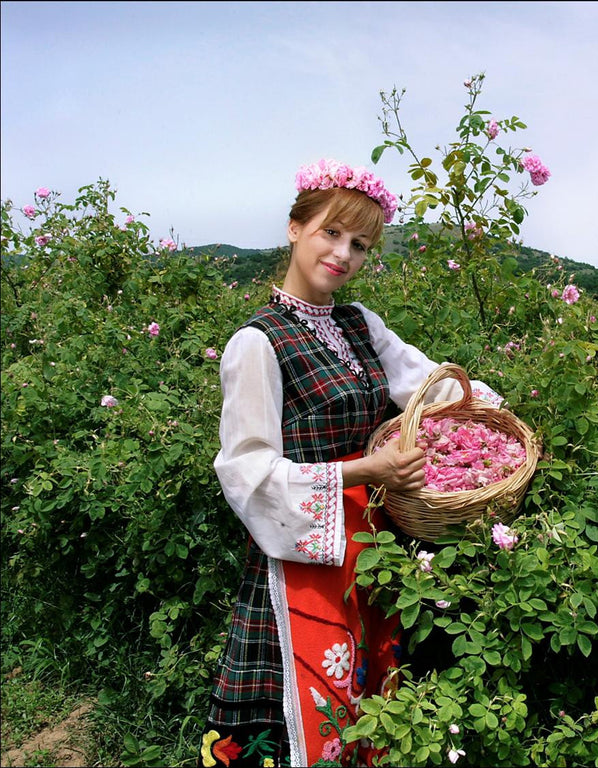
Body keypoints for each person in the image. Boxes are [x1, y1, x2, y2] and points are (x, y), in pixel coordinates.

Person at [199, 158, 501, 768]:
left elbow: (429, 385)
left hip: (372, 543)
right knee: (312, 699)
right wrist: (366, 471)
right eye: (331, 233)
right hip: (305, 551)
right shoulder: (257, 342)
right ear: (295, 228)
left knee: (371, 694)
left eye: (359, 244)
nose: (342, 253)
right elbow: (247, 472)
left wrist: (499, 421)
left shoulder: (359, 324)